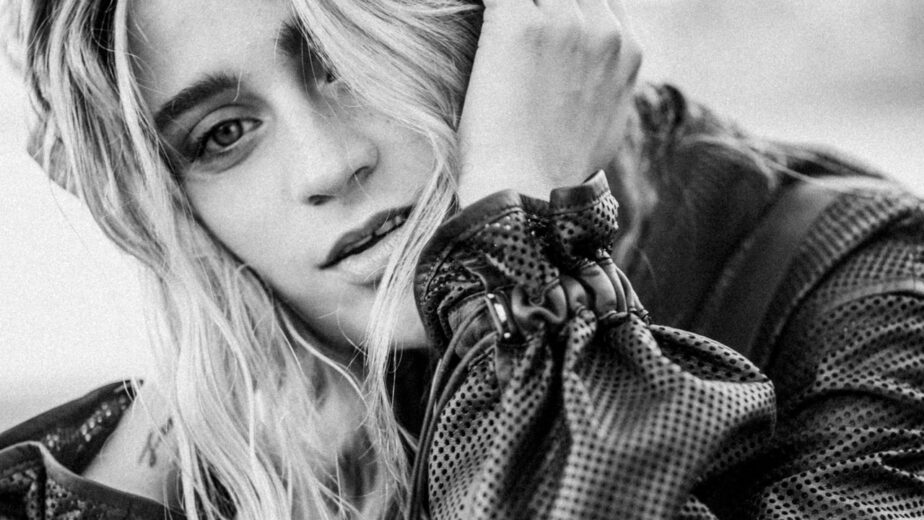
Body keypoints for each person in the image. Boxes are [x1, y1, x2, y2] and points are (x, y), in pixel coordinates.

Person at [1, 0, 923, 519]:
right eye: (223, 135)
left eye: (348, 60)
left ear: (514, 24)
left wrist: (519, 239)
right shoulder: (266, 415)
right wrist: (191, 300)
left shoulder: (869, 287)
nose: (327, 165)